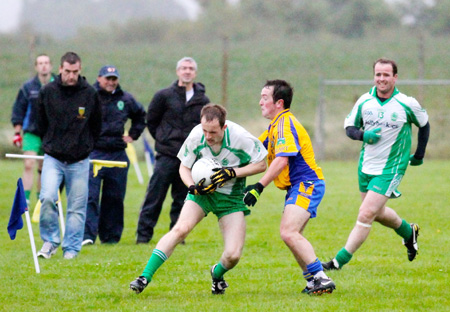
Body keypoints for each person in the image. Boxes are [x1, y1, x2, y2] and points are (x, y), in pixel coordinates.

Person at [129, 103, 267, 295]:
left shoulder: (240, 138)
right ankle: (144, 277)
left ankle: (217, 274)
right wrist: (192, 186)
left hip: (231, 198)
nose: (208, 136)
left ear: (224, 127)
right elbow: (184, 167)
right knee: (180, 229)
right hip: (201, 193)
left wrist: (231, 173)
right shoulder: (196, 135)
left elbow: (262, 164)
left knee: (233, 255)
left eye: (213, 132)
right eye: (205, 130)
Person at [322, 58, 430, 271]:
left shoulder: (406, 103)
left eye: (386, 75)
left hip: (392, 168)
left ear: (395, 77)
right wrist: (363, 135)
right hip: (366, 166)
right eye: (378, 74)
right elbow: (350, 128)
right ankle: (410, 233)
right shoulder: (364, 101)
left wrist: (418, 154)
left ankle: (337, 262)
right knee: (377, 213)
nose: (382, 79)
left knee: (365, 214)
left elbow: (425, 125)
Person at [243, 79, 335, 295]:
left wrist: (258, 187)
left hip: (307, 184)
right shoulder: (275, 125)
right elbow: (254, 150)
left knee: (288, 232)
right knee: (292, 236)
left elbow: (281, 160)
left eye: (265, 98)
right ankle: (313, 282)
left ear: (279, 102)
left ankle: (321, 277)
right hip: (297, 186)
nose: (260, 102)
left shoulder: (285, 124)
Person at [136, 57, 210, 244]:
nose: (187, 71)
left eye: (191, 68)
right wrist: (163, 138)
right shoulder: (164, 95)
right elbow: (152, 120)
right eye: (184, 68)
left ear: (195, 73)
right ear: (178, 71)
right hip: (167, 155)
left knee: (182, 199)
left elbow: (205, 127)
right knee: (155, 196)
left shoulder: (202, 99)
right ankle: (143, 237)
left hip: (188, 159)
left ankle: (177, 237)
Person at [36, 51, 102, 259]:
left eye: (75, 72)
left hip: (80, 160)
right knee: (47, 197)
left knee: (76, 206)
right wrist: (50, 142)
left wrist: (87, 145)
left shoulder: (90, 94)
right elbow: (40, 122)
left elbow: (96, 125)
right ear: (60, 70)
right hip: (53, 157)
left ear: (80, 70)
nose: (71, 75)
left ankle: (71, 248)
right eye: (67, 71)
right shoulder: (47, 92)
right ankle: (50, 241)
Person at [82, 65, 146, 246]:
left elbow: (141, 116)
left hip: (117, 153)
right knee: (90, 196)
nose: (111, 82)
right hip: (94, 152)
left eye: (113, 79)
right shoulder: (89, 96)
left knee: (114, 197)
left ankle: (110, 237)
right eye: (107, 78)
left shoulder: (125, 99)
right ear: (99, 78)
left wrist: (133, 135)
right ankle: (87, 235)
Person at [11, 54, 57, 205]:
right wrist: (17, 132)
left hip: (51, 133)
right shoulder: (28, 87)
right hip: (31, 131)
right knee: (29, 163)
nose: (43, 66)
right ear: (36, 67)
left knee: (44, 168)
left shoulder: (58, 84)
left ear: (50, 66)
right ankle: (25, 200)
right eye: (40, 63)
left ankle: (41, 201)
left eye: (46, 63)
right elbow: (19, 109)